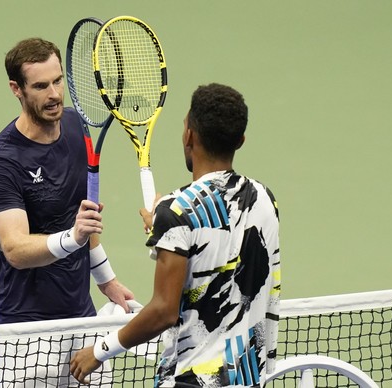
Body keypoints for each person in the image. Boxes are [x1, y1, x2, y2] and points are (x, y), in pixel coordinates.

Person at [70, 83, 281, 387]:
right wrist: (167, 230)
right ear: (241, 140)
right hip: (249, 378)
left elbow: (163, 312)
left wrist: (100, 350)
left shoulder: (176, 212)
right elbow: (226, 246)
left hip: (191, 380)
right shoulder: (265, 198)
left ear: (189, 136)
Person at [0, 37, 133, 386]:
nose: (54, 95)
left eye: (58, 81)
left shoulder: (77, 128)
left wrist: (107, 281)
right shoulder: (1, 162)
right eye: (41, 86)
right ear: (16, 89)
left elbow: (83, 223)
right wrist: (73, 236)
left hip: (81, 317)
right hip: (26, 331)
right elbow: (15, 250)